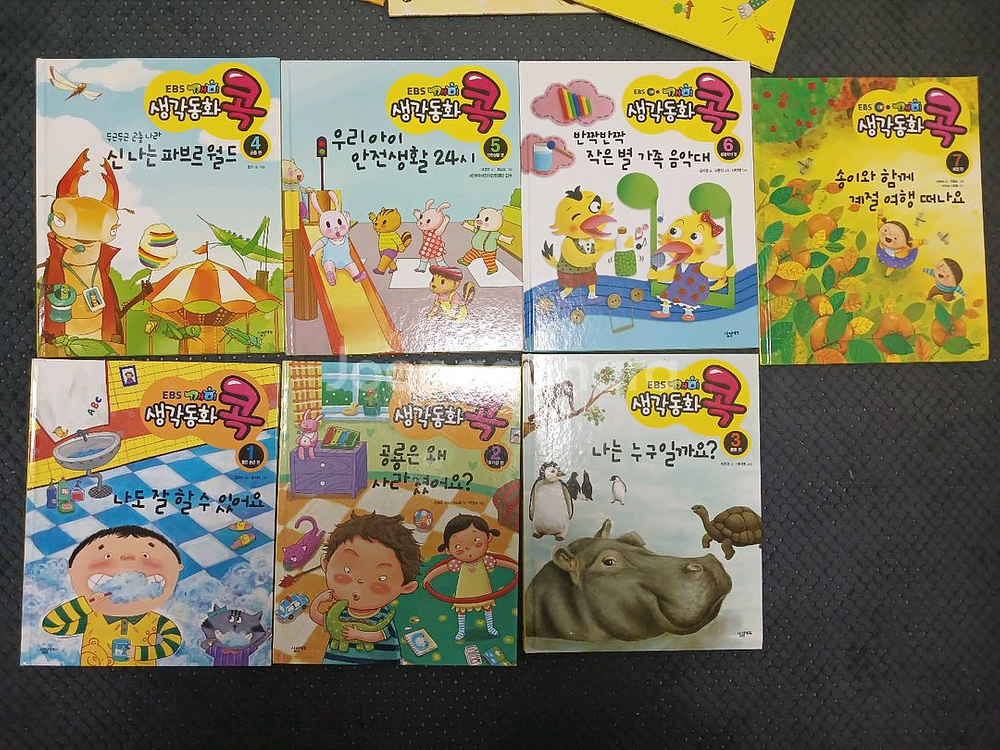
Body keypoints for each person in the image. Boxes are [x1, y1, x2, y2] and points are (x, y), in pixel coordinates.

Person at [41, 525, 184, 667]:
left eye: (145, 555)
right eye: (107, 555)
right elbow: (52, 625)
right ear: (71, 570)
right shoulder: (91, 618)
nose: (127, 557)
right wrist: (86, 604)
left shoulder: (155, 621)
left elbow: (172, 642)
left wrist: (140, 653)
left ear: (178, 569)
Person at [308, 512, 421, 665]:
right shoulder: (339, 610)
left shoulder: (384, 615)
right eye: (347, 571)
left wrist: (358, 635)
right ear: (326, 566)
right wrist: (318, 600)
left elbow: (381, 634)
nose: (359, 584)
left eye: (381, 579)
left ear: (406, 587)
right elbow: (320, 618)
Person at [422, 514, 517, 641]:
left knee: (487, 607)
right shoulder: (457, 563)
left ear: (488, 537)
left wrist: (515, 567)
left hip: (482, 588)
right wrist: (428, 578)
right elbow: (443, 568)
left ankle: (490, 627)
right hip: (464, 590)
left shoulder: (485, 560)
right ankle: (461, 630)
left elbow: (500, 562)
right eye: (457, 546)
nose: (468, 549)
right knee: (461, 609)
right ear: (448, 550)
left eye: (477, 541)